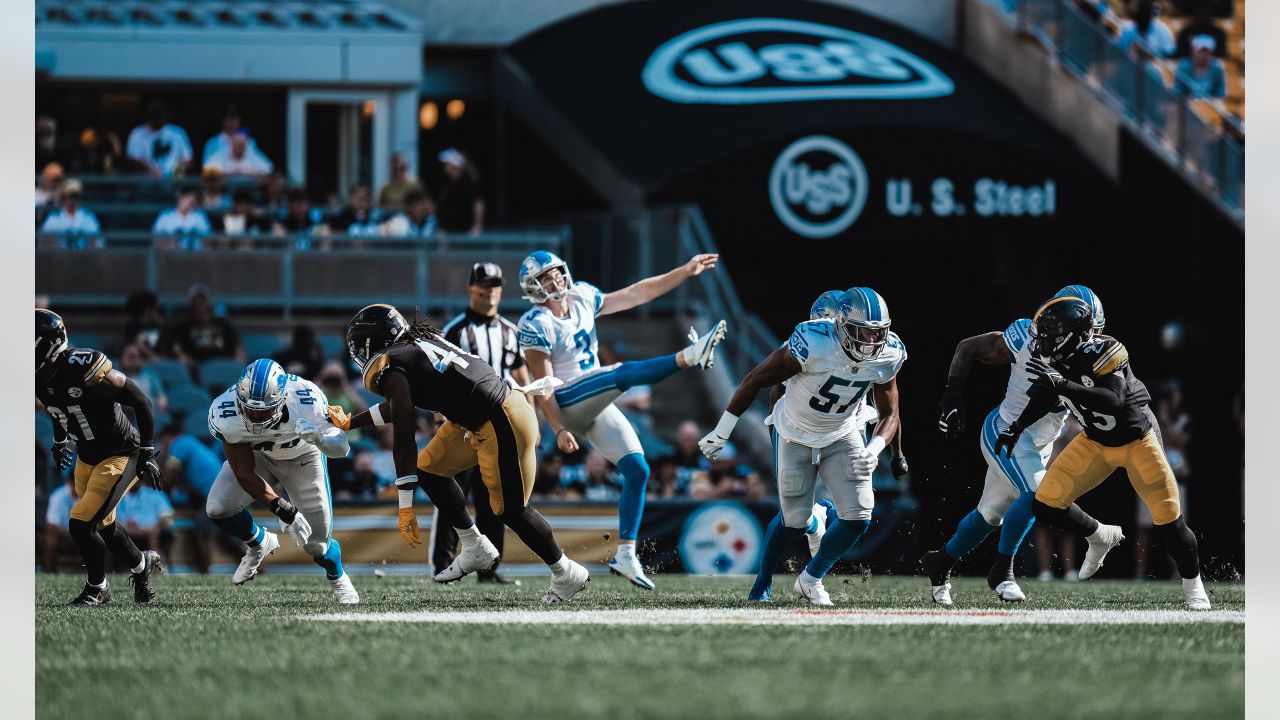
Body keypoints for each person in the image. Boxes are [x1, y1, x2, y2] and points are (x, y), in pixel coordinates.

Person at [338, 304, 590, 603]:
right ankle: (474, 545)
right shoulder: (417, 345)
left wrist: (405, 505)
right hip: (479, 417)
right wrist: (352, 422)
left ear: (374, 341)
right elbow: (399, 405)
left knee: (511, 510)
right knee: (431, 470)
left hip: (501, 418)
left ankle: (565, 572)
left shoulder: (393, 366)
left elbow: (404, 437)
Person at [517, 250, 727, 590]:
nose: (554, 280)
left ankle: (626, 555)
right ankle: (689, 356)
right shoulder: (535, 324)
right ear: (533, 286)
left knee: (638, 469)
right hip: (568, 401)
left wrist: (685, 271)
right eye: (545, 276)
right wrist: (558, 429)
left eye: (556, 272)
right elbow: (544, 387)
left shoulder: (582, 296)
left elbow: (638, 293)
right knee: (622, 373)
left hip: (595, 399)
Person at [1002, 297, 1210, 609]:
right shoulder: (1055, 359)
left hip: (1137, 441)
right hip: (1095, 442)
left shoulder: (1105, 350)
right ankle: (1099, 535)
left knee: (1170, 522)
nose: (1042, 342)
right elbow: (1046, 395)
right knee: (1045, 504)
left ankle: (1194, 588)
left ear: (1073, 335)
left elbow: (1113, 399)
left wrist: (1063, 385)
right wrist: (1017, 426)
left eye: (1050, 335)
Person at [700, 288, 904, 605]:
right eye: (863, 332)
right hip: (795, 432)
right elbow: (760, 383)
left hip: (843, 432)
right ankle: (774, 569)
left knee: (860, 515)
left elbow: (891, 413)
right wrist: (724, 430)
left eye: (877, 333)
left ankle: (810, 579)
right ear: (840, 326)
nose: (871, 341)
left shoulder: (889, 353)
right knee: (793, 520)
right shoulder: (811, 343)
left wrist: (876, 450)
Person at [924, 285, 1105, 605]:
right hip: (1005, 432)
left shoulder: (1093, 359)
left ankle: (941, 562)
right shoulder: (1025, 336)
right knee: (1038, 496)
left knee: (990, 516)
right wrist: (952, 394)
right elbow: (969, 347)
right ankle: (1002, 572)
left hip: (1039, 444)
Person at [35, 309, 165, 605]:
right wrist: (60, 441)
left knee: (81, 523)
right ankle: (142, 565)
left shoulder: (83, 367)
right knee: (104, 525)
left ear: (48, 344)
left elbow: (141, 401)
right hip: (88, 457)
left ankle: (98, 587)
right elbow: (58, 406)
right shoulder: (40, 375)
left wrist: (146, 451)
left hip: (121, 454)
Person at [204, 359, 359, 603]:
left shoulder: (307, 399)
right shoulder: (226, 410)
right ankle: (259, 542)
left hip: (303, 457)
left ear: (283, 397)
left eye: (263, 410)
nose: (255, 416)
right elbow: (244, 473)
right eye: (249, 409)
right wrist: (284, 509)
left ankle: (337, 577)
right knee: (218, 507)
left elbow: (342, 449)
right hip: (259, 457)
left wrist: (320, 439)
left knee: (316, 545)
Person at [429, 262, 532, 582]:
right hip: (463, 423)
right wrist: (441, 415)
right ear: (470, 288)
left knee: (494, 499)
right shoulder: (456, 330)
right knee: (453, 495)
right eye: (482, 285)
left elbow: (520, 375)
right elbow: (438, 377)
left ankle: (489, 569)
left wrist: (529, 413)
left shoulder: (510, 332)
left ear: (502, 290)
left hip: (500, 424)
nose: (488, 291)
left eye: (494, 285)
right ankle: (443, 564)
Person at [158, 421, 224, 574]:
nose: (162, 447)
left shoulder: (179, 444)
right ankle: (261, 570)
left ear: (168, 437)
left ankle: (205, 574)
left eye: (162, 442)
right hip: (223, 492)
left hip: (217, 494)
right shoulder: (190, 443)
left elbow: (167, 478)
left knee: (200, 531)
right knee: (228, 540)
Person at [163, 284, 244, 364]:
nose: (200, 307)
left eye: (202, 302)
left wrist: (238, 362)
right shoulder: (183, 327)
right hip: (195, 368)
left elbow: (238, 349)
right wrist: (181, 357)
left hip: (222, 367)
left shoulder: (224, 325)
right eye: (196, 303)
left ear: (209, 304)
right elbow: (176, 348)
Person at [125, 99, 193, 177]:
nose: (158, 122)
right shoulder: (137, 133)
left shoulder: (177, 133)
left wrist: (177, 169)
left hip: (171, 183)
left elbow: (187, 158)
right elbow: (132, 159)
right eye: (155, 118)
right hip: (144, 183)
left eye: (160, 118)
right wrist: (148, 168)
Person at [115, 481, 175, 562]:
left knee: (153, 534)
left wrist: (156, 526)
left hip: (150, 530)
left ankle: (159, 567)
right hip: (125, 529)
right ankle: (107, 570)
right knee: (112, 533)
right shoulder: (118, 495)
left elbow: (168, 518)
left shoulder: (155, 494)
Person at [39, 178, 103, 250]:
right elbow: (46, 242)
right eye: (70, 196)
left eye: (76, 196)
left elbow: (96, 242)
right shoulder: (53, 218)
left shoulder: (88, 217)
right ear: (63, 197)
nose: (73, 200)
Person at [435, 148, 484, 235]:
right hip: (448, 232)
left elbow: (478, 204)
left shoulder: (468, 182)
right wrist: (441, 228)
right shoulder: (447, 183)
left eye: (447, 164)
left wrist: (477, 226)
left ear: (455, 165)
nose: (445, 167)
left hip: (464, 232)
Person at [1175, 35, 1228, 99]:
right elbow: (1178, 92)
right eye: (1201, 52)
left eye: (1207, 52)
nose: (1204, 56)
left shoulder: (1217, 68)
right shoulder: (1183, 66)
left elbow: (1221, 94)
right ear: (1193, 51)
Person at [42, 476, 77, 573]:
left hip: (83, 534)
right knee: (51, 535)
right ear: (70, 483)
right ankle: (49, 573)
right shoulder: (57, 496)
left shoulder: (89, 495)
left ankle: (102, 574)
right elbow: (52, 524)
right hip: (63, 534)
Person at [205, 132, 274, 178]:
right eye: (237, 145)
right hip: (225, 190)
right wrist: (229, 171)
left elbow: (269, 169)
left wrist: (248, 171)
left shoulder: (251, 154)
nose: (239, 148)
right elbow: (207, 170)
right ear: (231, 144)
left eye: (242, 146)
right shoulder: (221, 154)